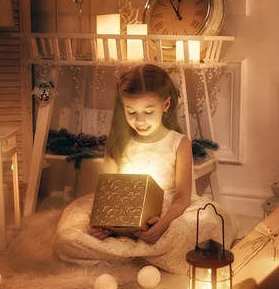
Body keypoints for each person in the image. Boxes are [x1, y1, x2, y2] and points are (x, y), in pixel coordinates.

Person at [54, 64, 239, 274]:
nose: (139, 120)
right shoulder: (117, 143)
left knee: (206, 224)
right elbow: (109, 194)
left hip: (166, 212)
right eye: (131, 112)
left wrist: (164, 224)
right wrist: (100, 225)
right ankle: (142, 251)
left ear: (165, 105)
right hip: (122, 213)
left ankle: (129, 251)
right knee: (67, 237)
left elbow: (182, 198)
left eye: (148, 112)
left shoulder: (179, 143)